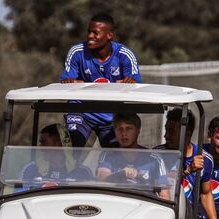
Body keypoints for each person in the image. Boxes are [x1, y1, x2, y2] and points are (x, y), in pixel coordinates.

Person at [60, 13, 142, 147]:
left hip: (111, 116)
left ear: (109, 35)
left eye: (95, 33)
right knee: (70, 150)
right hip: (80, 111)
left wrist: (129, 83)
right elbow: (66, 82)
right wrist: (70, 82)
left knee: (115, 159)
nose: (90, 36)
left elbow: (135, 83)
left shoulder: (125, 54)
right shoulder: (77, 52)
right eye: (89, 32)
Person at [155, 108, 219, 219]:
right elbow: (165, 185)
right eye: (166, 129)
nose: (165, 135)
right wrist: (188, 170)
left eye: (171, 131)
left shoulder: (205, 159)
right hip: (164, 216)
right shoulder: (158, 155)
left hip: (192, 218)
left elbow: (206, 194)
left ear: (187, 133)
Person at [96, 113, 170, 200]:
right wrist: (121, 173)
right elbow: (102, 177)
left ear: (138, 131)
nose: (124, 133)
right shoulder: (107, 155)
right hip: (116, 203)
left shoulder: (154, 158)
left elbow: (164, 195)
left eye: (128, 128)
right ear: (115, 132)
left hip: (146, 205)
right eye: (120, 129)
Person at [20, 124, 92, 183]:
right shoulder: (31, 169)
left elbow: (87, 199)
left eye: (44, 142)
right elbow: (21, 196)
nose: (40, 147)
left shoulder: (82, 172)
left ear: (58, 143)